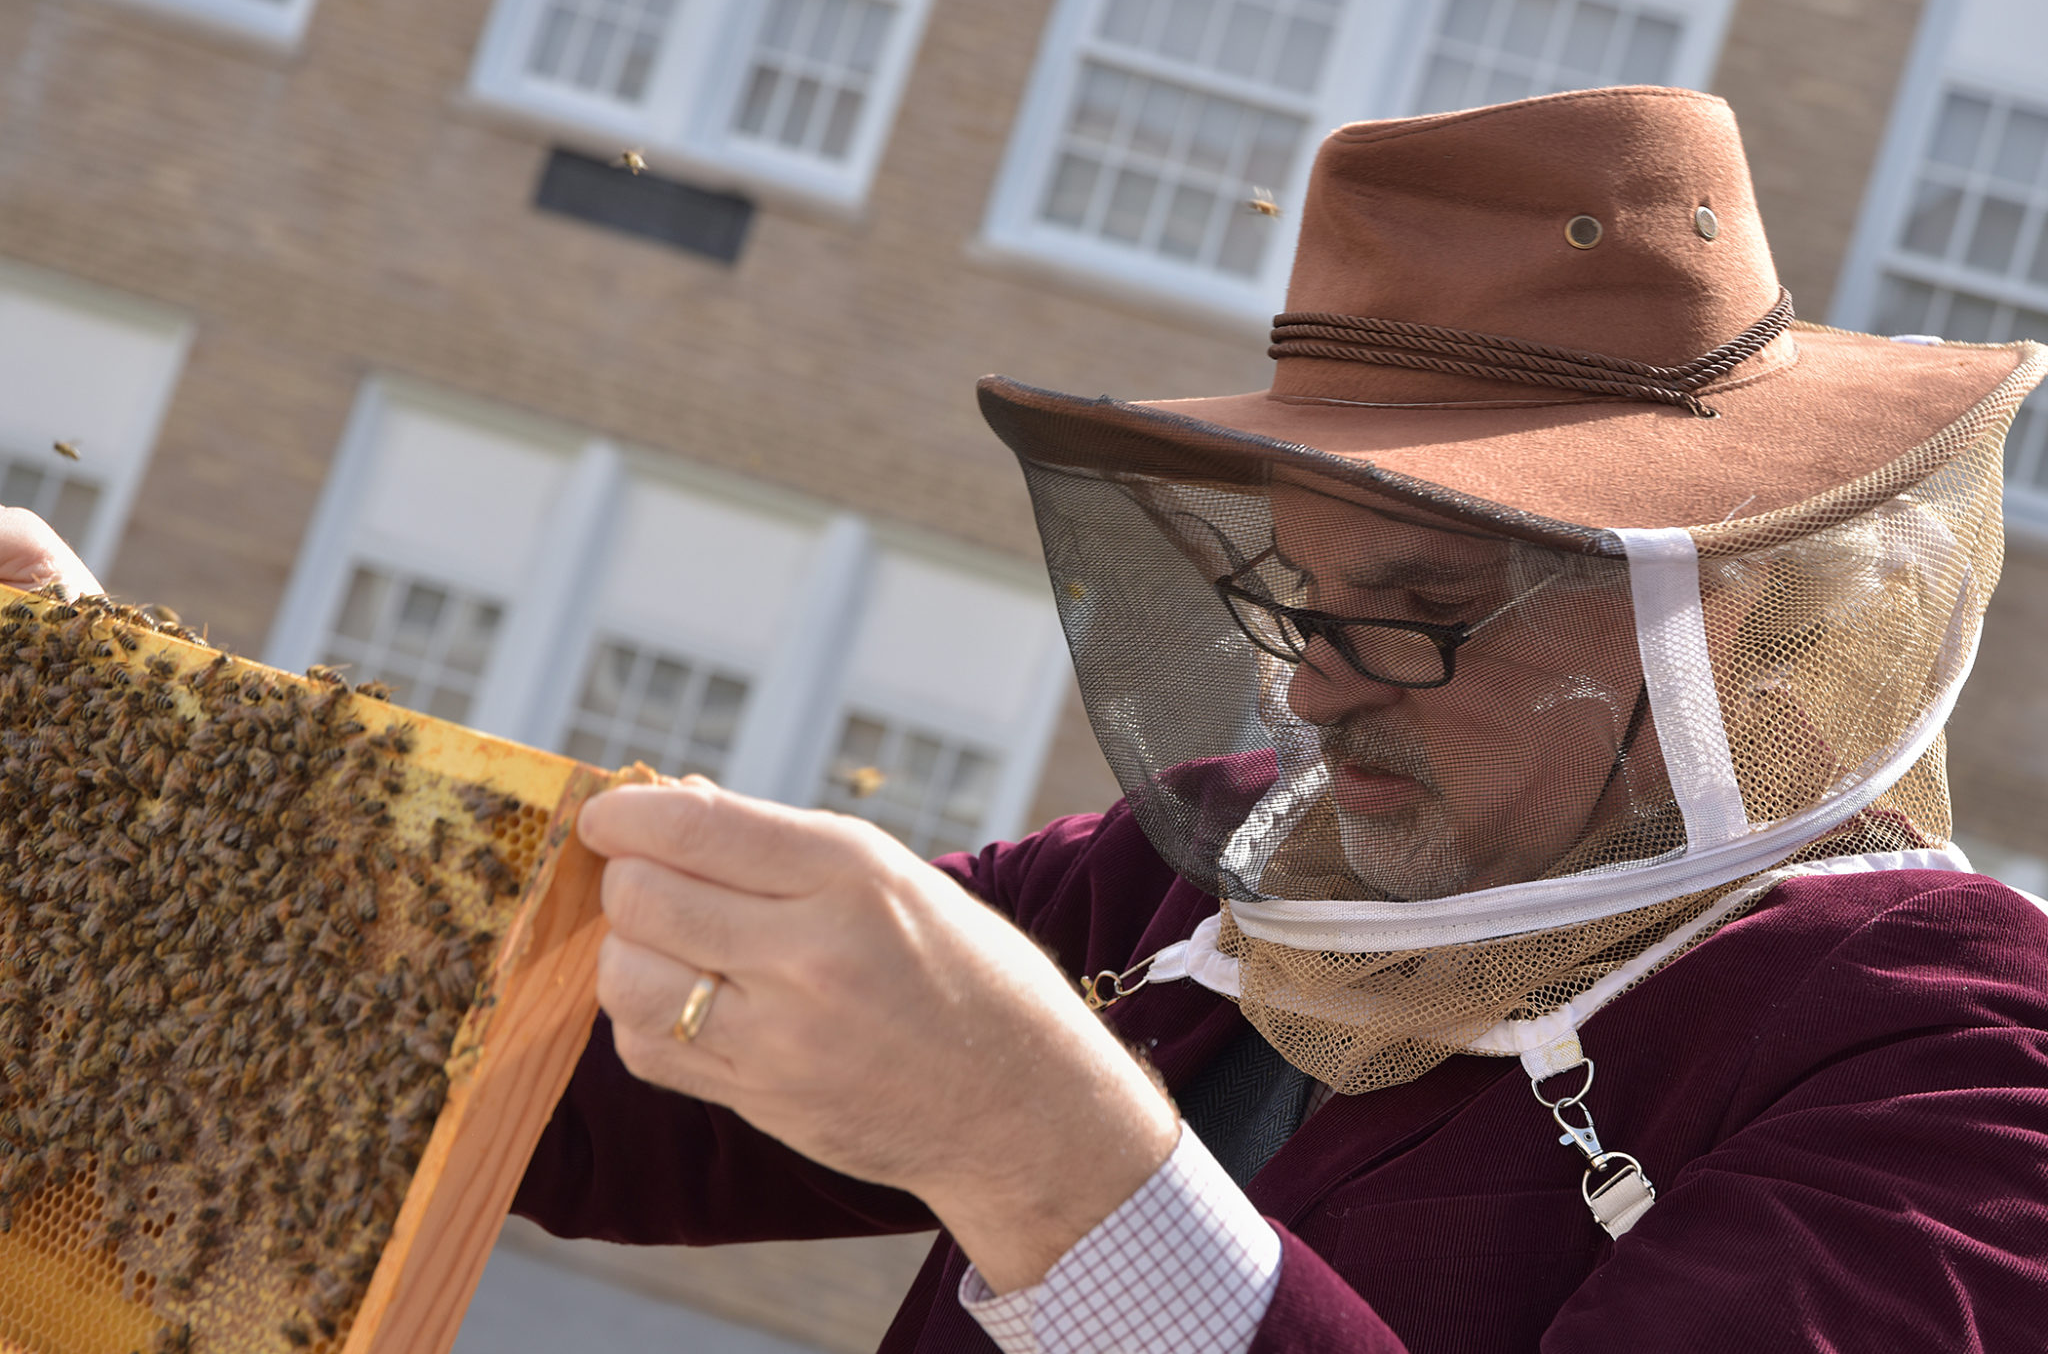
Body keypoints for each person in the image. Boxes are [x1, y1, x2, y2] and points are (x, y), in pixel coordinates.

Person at [513, 87, 2048, 1350]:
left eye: (1411, 615)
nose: (1315, 689)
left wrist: (1056, 1161)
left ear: (1708, 612)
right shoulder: (1220, 865)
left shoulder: (1960, 1057)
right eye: (1300, 601)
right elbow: (576, 1103)